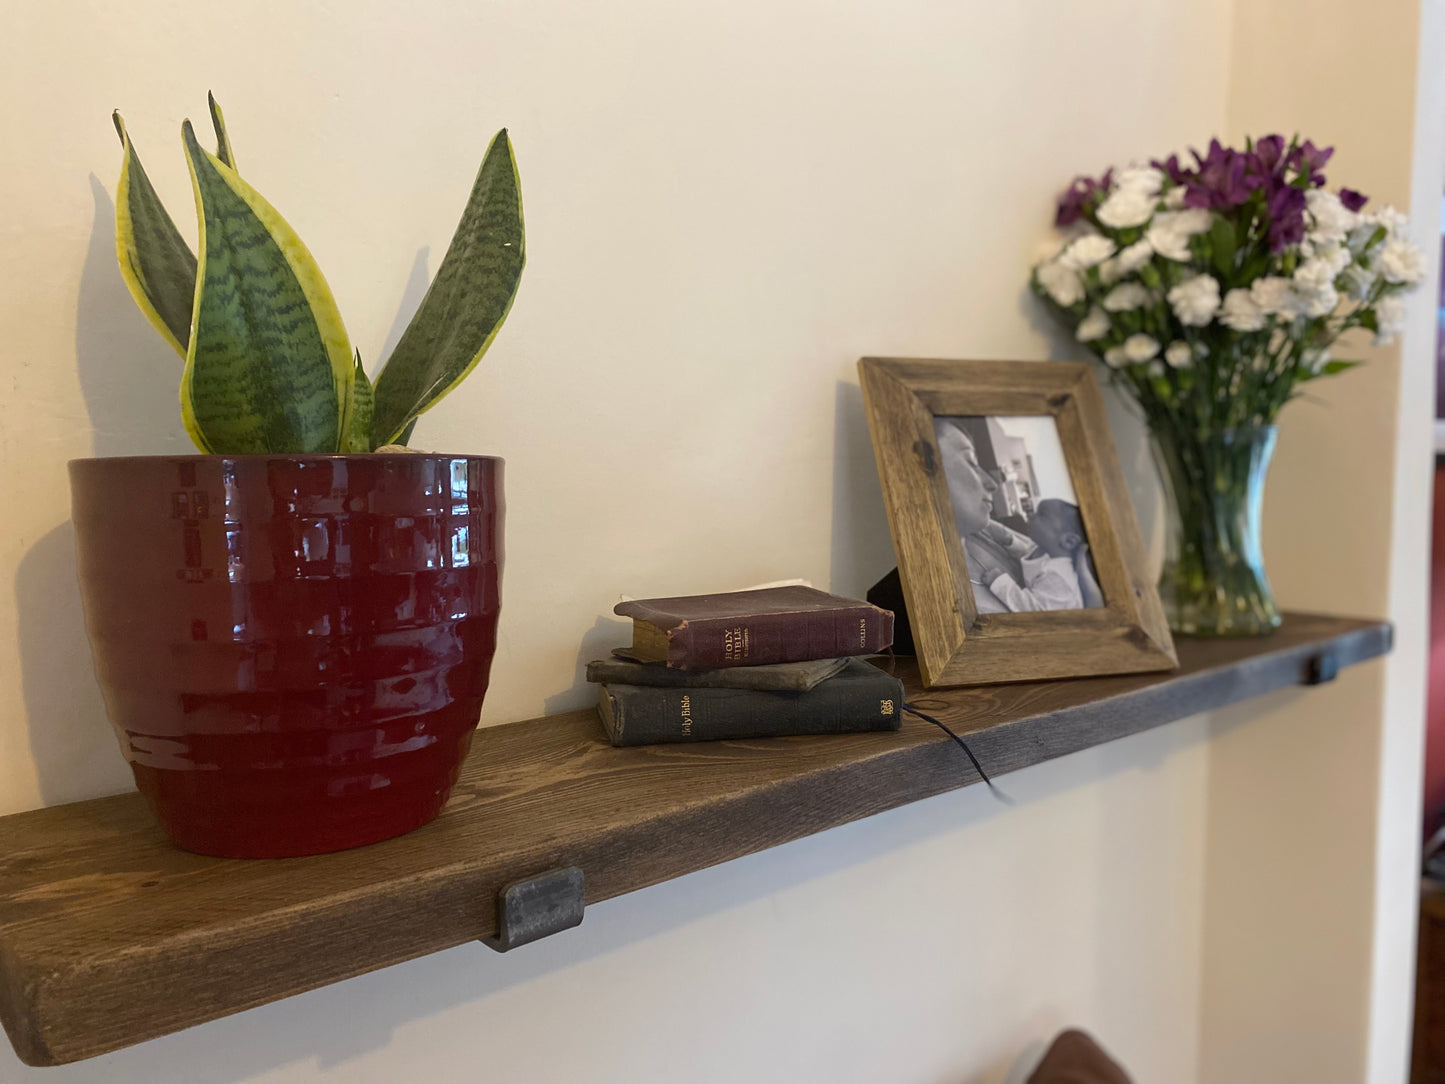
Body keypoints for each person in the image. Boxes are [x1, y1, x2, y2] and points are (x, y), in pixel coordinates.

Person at [934, 419, 1097, 613]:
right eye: (971, 461)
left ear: (1068, 541)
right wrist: (1010, 541)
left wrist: (1000, 582)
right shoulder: (1048, 555)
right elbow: (1027, 551)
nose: (993, 483)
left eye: (1042, 515)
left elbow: (1035, 612)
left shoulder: (1058, 579)